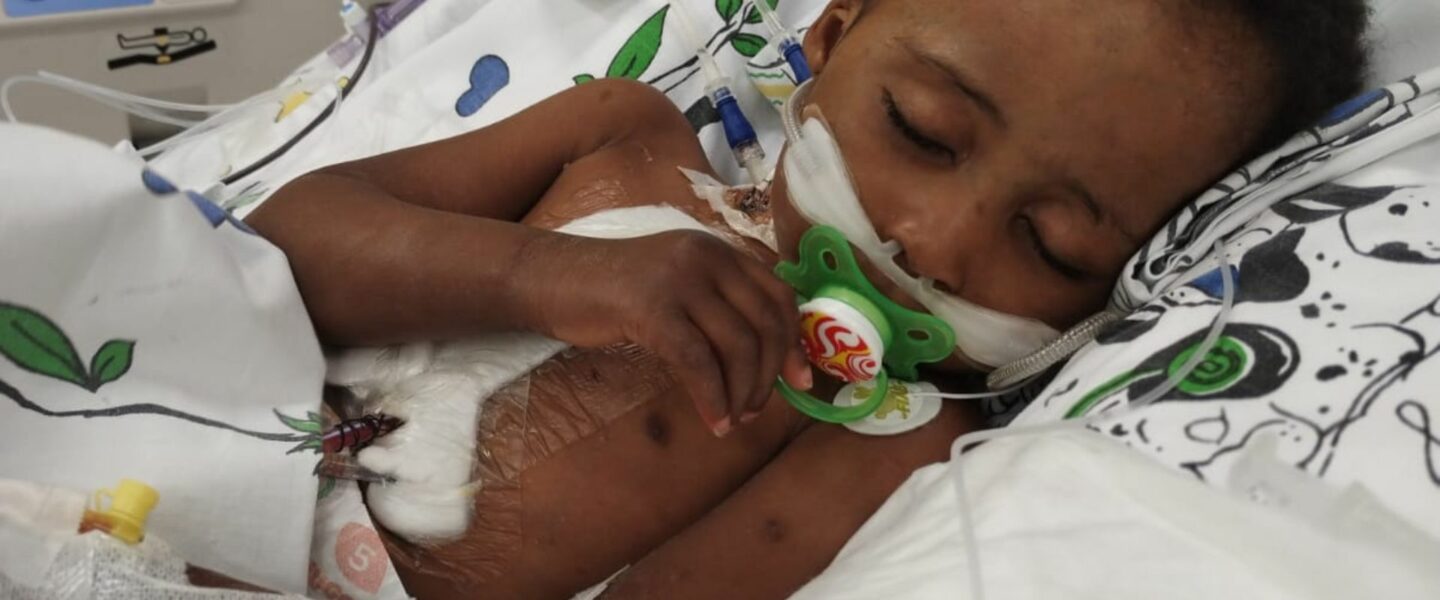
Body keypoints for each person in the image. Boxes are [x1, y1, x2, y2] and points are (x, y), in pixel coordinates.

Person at [247, 0, 1369, 597]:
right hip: (206, 435)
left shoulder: (894, 450)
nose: (934, 245)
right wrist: (545, 273)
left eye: (1054, 243)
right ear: (832, 35)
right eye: (923, 130)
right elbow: (282, 250)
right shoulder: (618, 142)